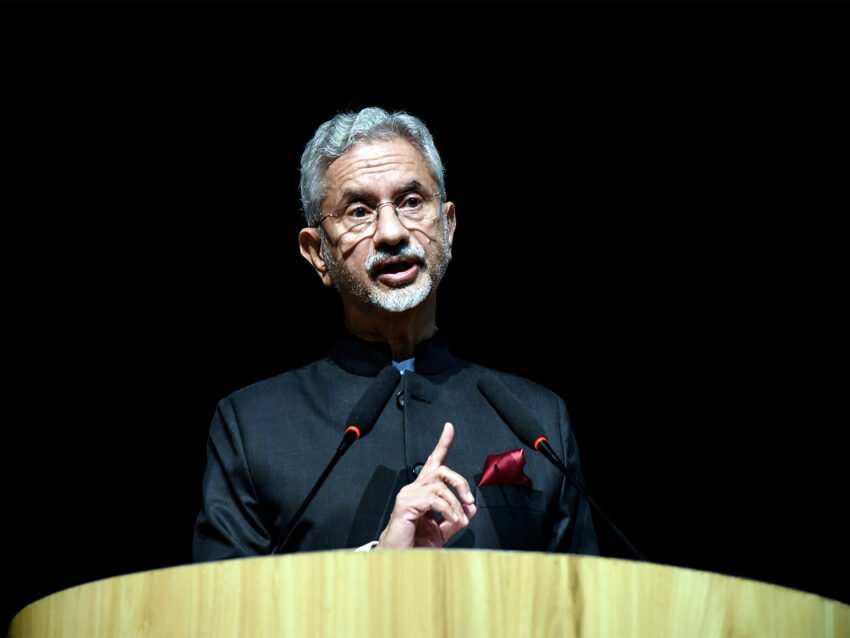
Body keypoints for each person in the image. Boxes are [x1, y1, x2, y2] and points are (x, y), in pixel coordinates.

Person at [192, 107, 598, 559]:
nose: (391, 232)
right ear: (318, 252)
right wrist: (376, 566)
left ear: (448, 226)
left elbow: (583, 597)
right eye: (359, 211)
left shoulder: (538, 420)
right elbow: (223, 600)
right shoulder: (252, 426)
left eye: (411, 201)